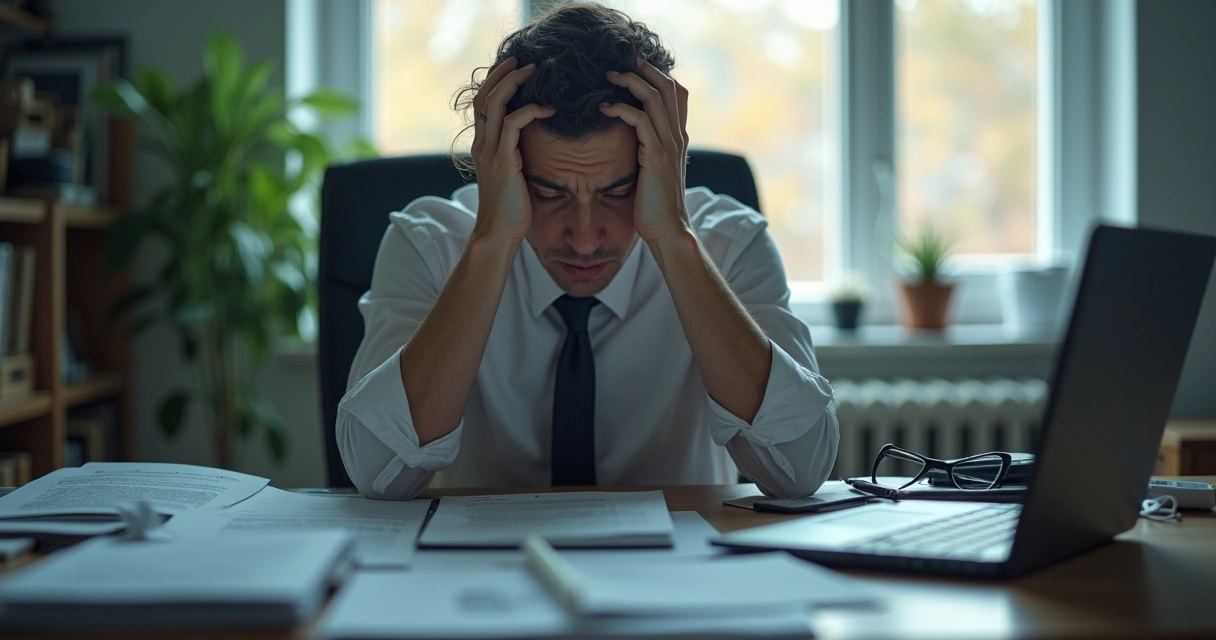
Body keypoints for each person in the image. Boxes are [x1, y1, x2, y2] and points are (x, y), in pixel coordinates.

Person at [337, 2, 838, 500]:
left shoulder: (730, 245)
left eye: (617, 192)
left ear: (660, 166)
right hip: (485, 569)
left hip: (677, 570)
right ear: (501, 168)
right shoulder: (429, 244)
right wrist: (491, 242)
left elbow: (798, 471)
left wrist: (673, 236)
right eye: (549, 193)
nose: (584, 237)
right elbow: (380, 474)